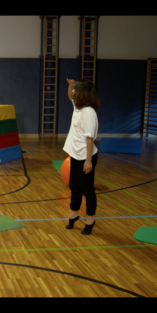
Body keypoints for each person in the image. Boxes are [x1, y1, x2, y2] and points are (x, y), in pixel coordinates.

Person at [64, 78, 100, 235]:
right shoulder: (78, 107)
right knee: (74, 186)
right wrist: (71, 85)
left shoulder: (89, 113)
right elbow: (70, 96)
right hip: (75, 154)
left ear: (84, 94)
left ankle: (90, 219)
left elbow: (89, 138)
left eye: (77, 90)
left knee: (87, 189)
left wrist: (88, 160)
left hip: (85, 156)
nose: (74, 93)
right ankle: (74, 214)